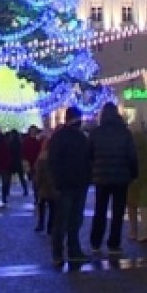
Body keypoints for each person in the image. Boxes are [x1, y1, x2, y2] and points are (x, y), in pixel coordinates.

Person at [88, 102, 137, 256]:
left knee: (100, 210)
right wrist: (133, 173)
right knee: (118, 212)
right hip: (121, 177)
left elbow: (89, 155)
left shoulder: (96, 133)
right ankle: (114, 243)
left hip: (101, 177)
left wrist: (93, 171)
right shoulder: (125, 133)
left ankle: (96, 242)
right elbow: (132, 156)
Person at [49, 106, 91, 267]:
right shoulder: (80, 137)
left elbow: (53, 161)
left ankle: (62, 252)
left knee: (67, 219)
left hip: (69, 183)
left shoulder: (59, 137)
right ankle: (69, 250)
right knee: (69, 219)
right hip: (74, 183)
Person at [126, 120, 147, 243]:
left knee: (131, 206)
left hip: (131, 178)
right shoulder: (146, 142)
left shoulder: (128, 143)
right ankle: (144, 233)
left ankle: (133, 231)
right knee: (144, 207)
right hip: (146, 178)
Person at [32, 136, 57, 234]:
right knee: (52, 207)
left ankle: (41, 223)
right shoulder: (57, 156)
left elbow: (39, 173)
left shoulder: (42, 157)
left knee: (42, 204)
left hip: (43, 186)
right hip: (53, 185)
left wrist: (37, 184)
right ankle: (50, 226)